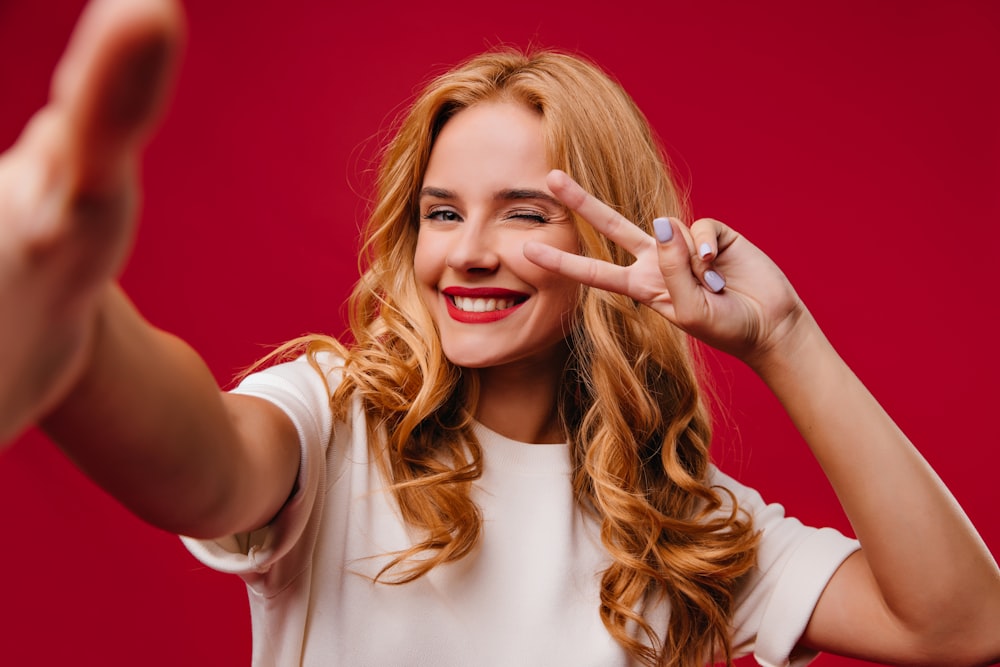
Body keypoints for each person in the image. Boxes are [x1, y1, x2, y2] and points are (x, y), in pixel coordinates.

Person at [1, 0, 998, 666]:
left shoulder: (685, 526)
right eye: (441, 213)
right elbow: (201, 459)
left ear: (611, 238)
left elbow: (964, 623)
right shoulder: (334, 423)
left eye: (524, 214)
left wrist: (783, 334)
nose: (468, 251)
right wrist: (78, 330)